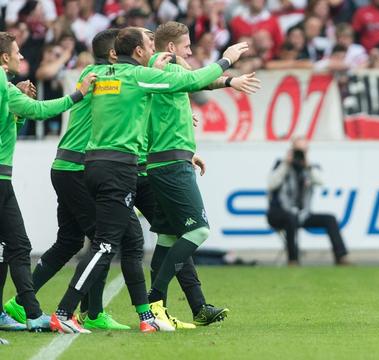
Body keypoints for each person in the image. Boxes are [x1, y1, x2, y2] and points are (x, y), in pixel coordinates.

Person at [49, 27, 247, 334]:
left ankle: (141, 313)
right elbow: (192, 80)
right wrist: (226, 60)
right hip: (119, 166)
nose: (153, 48)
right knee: (105, 245)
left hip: (97, 163)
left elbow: (138, 110)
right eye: (149, 43)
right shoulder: (137, 76)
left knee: (122, 241)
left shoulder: (105, 76)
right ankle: (66, 311)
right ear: (139, 52)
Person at [3, 29, 131, 332]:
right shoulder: (101, 77)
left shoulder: (96, 74)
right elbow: (38, 111)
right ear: (115, 54)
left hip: (67, 164)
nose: (23, 56)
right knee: (103, 240)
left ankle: (21, 305)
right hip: (75, 166)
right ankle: (92, 312)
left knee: (70, 240)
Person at [145, 21, 259, 327]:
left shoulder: (165, 70)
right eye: (186, 46)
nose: (190, 51)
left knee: (169, 238)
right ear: (170, 48)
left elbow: (197, 82)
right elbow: (195, 78)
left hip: (170, 160)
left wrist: (227, 82)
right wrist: (227, 59)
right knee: (198, 231)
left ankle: (161, 312)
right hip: (170, 166)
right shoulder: (164, 68)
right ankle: (153, 298)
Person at [0, 31, 95, 332]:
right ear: (5, 57)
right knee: (14, 245)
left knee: (16, 245)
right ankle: (29, 312)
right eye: (17, 52)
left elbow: (16, 121)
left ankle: (28, 312)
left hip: (3, 178)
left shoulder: (5, 86)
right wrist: (77, 94)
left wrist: (18, 103)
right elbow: (41, 111)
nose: (22, 56)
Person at [267, 137, 350, 266]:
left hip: (302, 213)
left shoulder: (310, 168)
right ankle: (293, 260)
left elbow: (321, 182)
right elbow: (271, 184)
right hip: (279, 213)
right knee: (291, 218)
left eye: (303, 150)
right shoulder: (281, 164)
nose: (299, 154)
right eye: (297, 150)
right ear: (291, 150)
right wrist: (285, 164)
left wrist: (308, 166)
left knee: (330, 219)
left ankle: (341, 257)